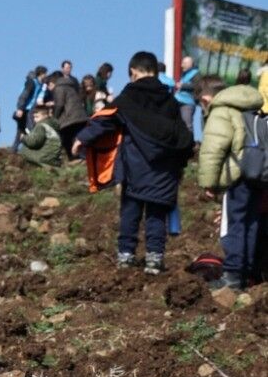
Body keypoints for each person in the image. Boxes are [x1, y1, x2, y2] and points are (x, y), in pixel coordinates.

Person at [73, 50, 193, 275]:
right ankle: (154, 259)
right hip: (164, 172)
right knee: (156, 216)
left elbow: (105, 120)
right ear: (155, 72)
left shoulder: (129, 97)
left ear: (133, 72)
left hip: (136, 168)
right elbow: (183, 137)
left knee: (130, 213)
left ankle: (126, 257)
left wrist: (82, 139)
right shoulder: (170, 101)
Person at [196, 73, 264, 288]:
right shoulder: (252, 109)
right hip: (258, 173)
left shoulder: (221, 111)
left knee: (233, 224)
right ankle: (247, 272)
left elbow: (213, 150)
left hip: (236, 176)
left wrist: (209, 183)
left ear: (205, 98)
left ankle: (232, 275)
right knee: (251, 223)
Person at [48, 67, 87, 152]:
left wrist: (55, 117)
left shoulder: (59, 88)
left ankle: (73, 157)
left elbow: (60, 104)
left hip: (70, 119)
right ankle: (81, 156)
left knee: (66, 140)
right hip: (81, 117)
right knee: (79, 139)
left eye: (48, 85)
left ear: (51, 83)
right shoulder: (70, 86)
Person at [16, 101, 64, 167]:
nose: (35, 120)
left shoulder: (41, 126)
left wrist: (23, 138)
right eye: (34, 117)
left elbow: (34, 142)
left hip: (44, 157)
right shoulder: (54, 125)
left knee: (23, 151)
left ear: (45, 115)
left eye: (37, 117)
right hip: (54, 157)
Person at [12, 65, 47, 150]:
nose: (46, 75)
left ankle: (14, 150)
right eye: (45, 73)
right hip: (26, 110)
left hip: (29, 109)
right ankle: (30, 148)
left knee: (21, 130)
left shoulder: (41, 84)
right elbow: (24, 95)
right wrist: (20, 108)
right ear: (41, 74)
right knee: (30, 128)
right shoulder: (32, 83)